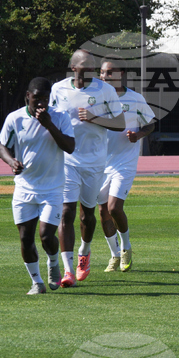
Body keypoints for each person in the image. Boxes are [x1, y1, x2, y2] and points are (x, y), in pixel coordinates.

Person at [51, 49, 124, 287]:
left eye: (92, 66)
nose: (90, 70)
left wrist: (95, 118)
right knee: (66, 212)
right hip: (67, 160)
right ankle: (68, 269)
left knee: (87, 214)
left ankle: (85, 251)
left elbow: (120, 122)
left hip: (95, 162)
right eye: (85, 66)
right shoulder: (59, 89)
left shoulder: (106, 90)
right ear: (73, 67)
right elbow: (50, 119)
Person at [0, 78, 75, 294]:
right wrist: (12, 161)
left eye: (45, 98)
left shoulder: (59, 117)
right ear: (27, 96)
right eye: (37, 98)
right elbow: (2, 146)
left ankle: (53, 262)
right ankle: (36, 282)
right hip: (24, 188)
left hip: (52, 189)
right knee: (25, 237)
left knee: (45, 236)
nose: (41, 103)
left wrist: (48, 124)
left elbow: (70, 147)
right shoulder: (15, 119)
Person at [98, 58, 155, 273]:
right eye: (103, 73)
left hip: (125, 162)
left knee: (114, 207)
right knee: (103, 211)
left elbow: (150, 124)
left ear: (122, 74)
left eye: (110, 72)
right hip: (100, 163)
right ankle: (113, 255)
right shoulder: (96, 99)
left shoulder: (135, 99)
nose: (106, 76)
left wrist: (138, 134)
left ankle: (126, 248)